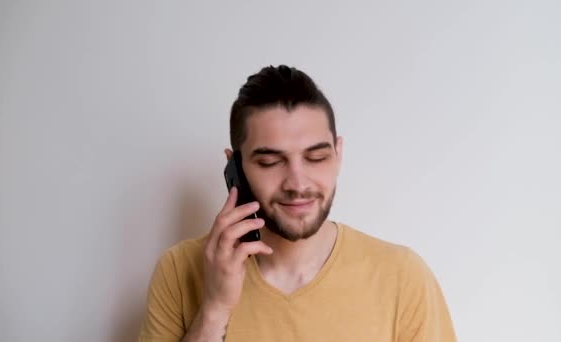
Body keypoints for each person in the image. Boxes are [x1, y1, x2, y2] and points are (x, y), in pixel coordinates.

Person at [137, 65, 457, 341]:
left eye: (316, 157)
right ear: (235, 168)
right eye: (270, 162)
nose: (298, 183)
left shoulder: (401, 276)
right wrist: (215, 310)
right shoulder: (179, 270)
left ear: (338, 154)